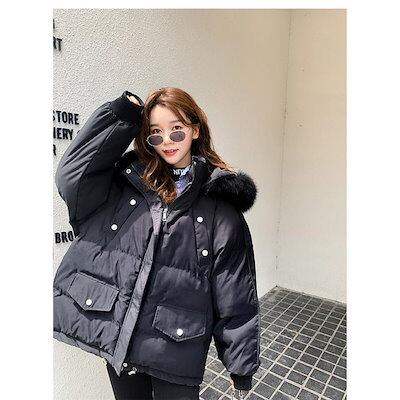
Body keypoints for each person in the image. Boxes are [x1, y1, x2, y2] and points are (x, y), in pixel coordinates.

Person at [53, 88, 261, 400]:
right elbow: (72, 177)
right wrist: (121, 114)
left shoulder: (219, 206)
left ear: (195, 130)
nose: (167, 141)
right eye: (155, 132)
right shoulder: (127, 184)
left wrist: (240, 366)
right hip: (122, 342)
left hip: (177, 350)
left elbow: (235, 288)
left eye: (176, 129)